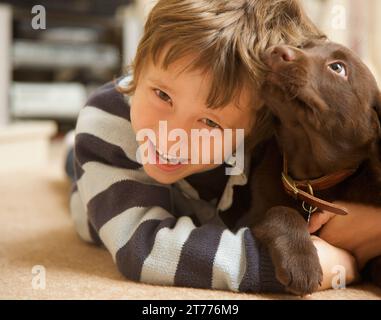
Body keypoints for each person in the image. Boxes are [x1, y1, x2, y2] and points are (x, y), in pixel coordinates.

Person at [66, 0, 374, 294]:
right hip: (110, 176)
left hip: (200, 195)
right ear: (137, 62)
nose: (172, 135)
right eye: (162, 95)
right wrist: (289, 267)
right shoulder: (107, 122)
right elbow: (144, 250)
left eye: (210, 123)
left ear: (259, 126)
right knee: (75, 165)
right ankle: (71, 154)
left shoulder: (266, 134)